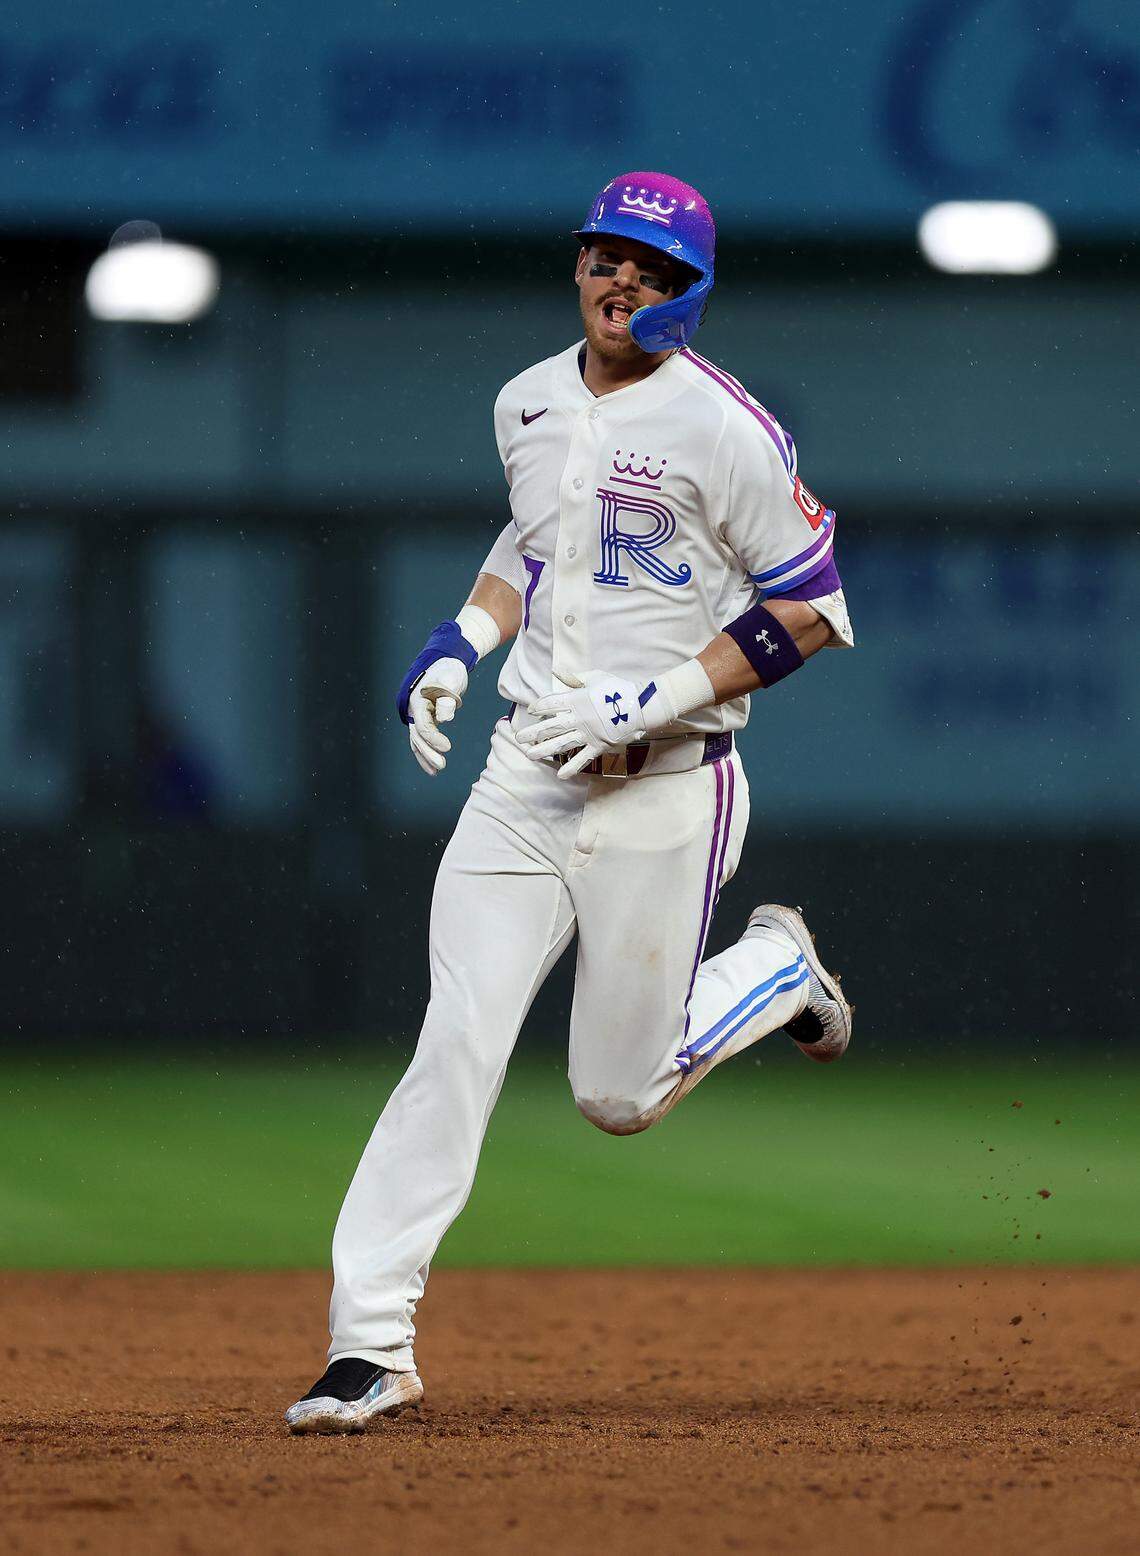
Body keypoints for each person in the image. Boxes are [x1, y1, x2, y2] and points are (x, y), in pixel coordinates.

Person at [285, 171, 855, 1433]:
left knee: (617, 1094)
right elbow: (529, 543)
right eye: (608, 256)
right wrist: (457, 643)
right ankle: (368, 1344)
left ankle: (775, 964)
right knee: (457, 1042)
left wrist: (650, 695)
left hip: (668, 788)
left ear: (689, 294)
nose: (623, 283)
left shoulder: (728, 429)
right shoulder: (528, 400)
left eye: (652, 270)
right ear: (580, 264)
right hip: (525, 782)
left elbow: (814, 609)